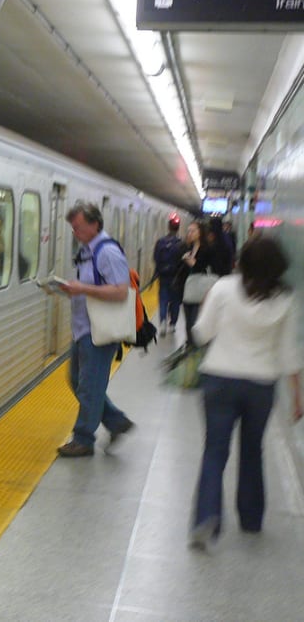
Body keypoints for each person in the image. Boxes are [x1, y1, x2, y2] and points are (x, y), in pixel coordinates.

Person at [188, 235, 303, 551]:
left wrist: (205, 305)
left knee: (215, 451)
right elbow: (288, 351)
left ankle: (205, 518)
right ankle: (251, 519)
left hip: (220, 380)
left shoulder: (224, 288)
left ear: (243, 261)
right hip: (260, 386)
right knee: (253, 450)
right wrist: (297, 396)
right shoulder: (286, 298)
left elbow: (201, 334)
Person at [55, 202, 136, 457]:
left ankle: (83, 440)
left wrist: (82, 289)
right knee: (78, 380)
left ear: (94, 225)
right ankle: (115, 421)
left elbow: (121, 291)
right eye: (72, 228)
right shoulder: (87, 250)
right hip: (84, 328)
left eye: (78, 227)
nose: (74, 232)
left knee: (89, 386)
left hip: (99, 331)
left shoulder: (107, 252)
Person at [180, 220, 212, 348]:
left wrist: (190, 261)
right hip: (188, 288)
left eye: (193, 231)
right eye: (188, 231)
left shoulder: (206, 249)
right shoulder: (190, 247)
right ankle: (190, 344)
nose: (190, 233)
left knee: (195, 321)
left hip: (199, 289)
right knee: (188, 321)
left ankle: (195, 346)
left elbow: (201, 266)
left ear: (200, 232)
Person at [153, 215, 185, 336]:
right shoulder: (181, 244)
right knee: (175, 301)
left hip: (163, 276)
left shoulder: (160, 242)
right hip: (176, 278)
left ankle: (162, 323)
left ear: (168, 227)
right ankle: (172, 324)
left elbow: (155, 258)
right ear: (178, 228)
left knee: (163, 299)